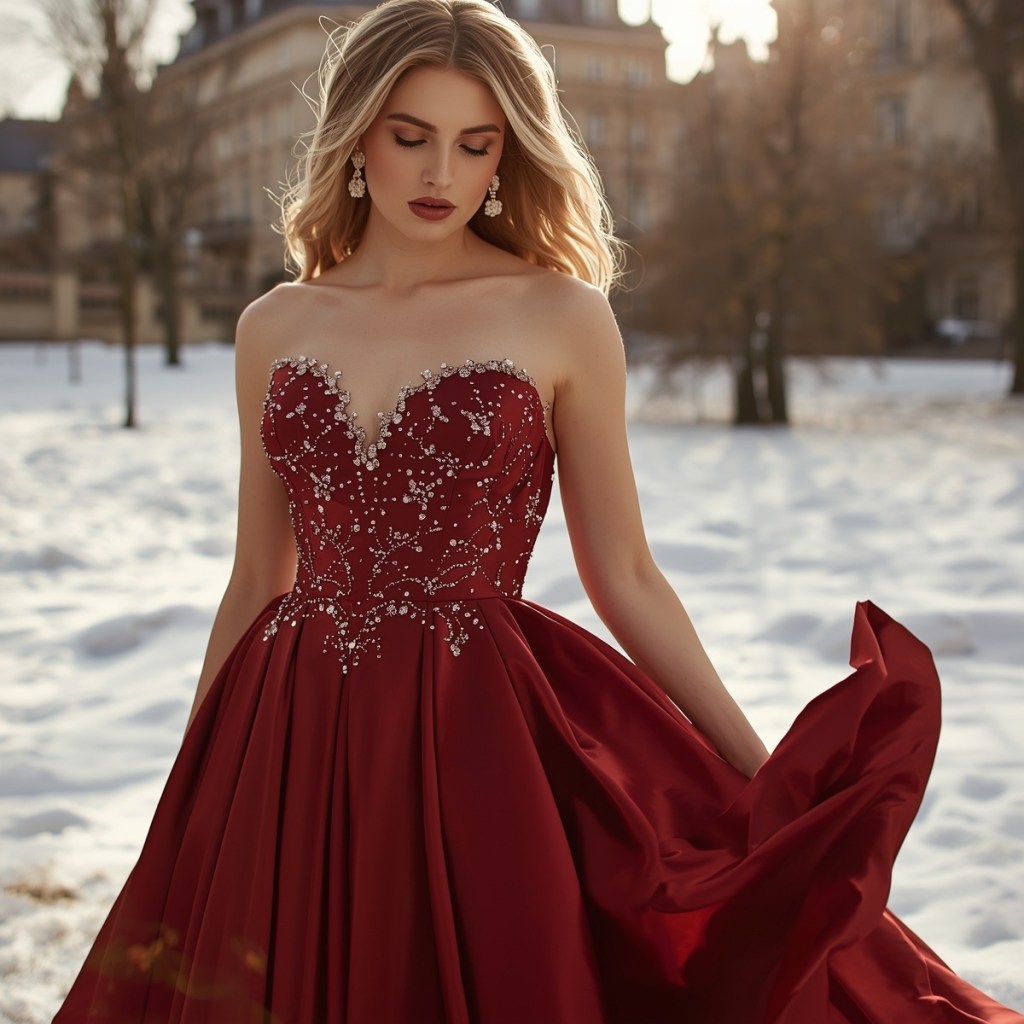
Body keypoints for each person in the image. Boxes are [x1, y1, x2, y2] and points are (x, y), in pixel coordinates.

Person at [52, 1, 1022, 1021]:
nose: (441, 174)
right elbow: (260, 574)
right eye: (410, 136)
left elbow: (626, 574)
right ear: (353, 137)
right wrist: (198, 777)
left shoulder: (560, 314)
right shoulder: (273, 325)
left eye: (475, 145)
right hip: (293, 728)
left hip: (477, 732)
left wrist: (758, 771)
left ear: (507, 156)